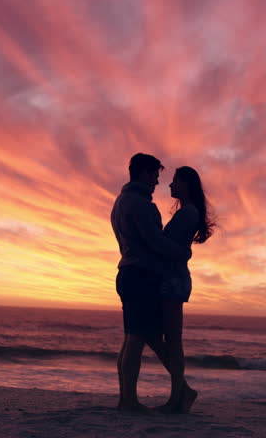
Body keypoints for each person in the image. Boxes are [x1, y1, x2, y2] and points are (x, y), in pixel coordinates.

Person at [110, 153, 192, 413]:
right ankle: (130, 401)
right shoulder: (142, 205)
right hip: (142, 275)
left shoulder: (120, 201)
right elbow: (156, 242)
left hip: (127, 272)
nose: (157, 181)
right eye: (155, 175)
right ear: (144, 173)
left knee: (131, 337)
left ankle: (127, 399)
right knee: (136, 338)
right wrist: (183, 253)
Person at [157, 166, 214, 414]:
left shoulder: (188, 213)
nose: (170, 185)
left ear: (186, 185)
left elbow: (167, 246)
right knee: (163, 338)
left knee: (172, 341)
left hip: (173, 280)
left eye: (174, 181)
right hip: (170, 278)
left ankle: (178, 397)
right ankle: (182, 391)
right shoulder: (186, 212)